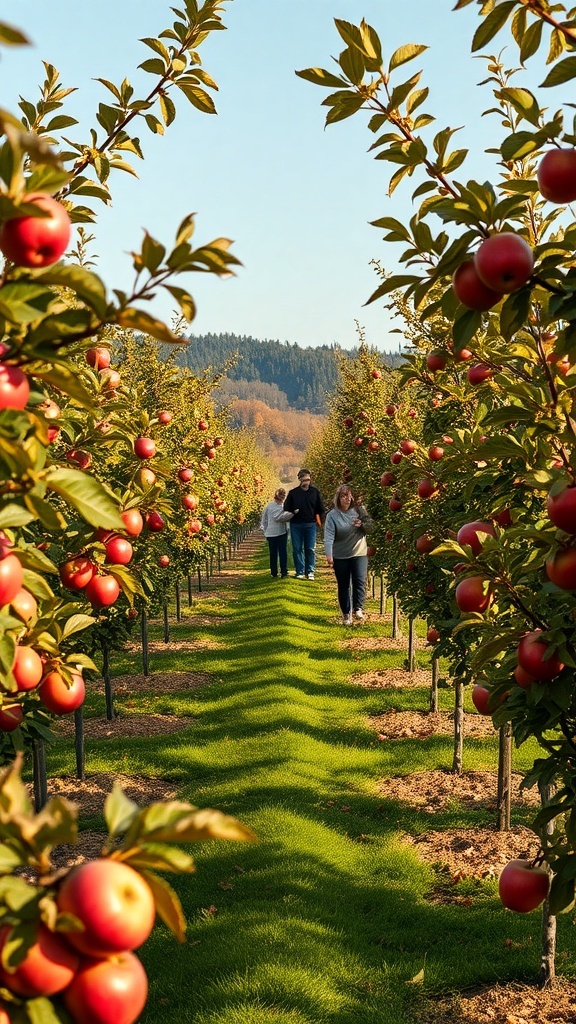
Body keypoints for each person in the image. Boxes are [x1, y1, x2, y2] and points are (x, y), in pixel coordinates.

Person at [324, 483, 373, 625]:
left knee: (359, 580)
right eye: (343, 495)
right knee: (344, 584)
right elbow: (329, 536)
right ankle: (346, 614)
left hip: (359, 551)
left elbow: (371, 527)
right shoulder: (332, 516)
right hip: (340, 555)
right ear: (338, 498)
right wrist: (329, 555)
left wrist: (362, 525)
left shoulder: (359, 510)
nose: (347, 498)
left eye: (349, 495)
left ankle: (358, 608)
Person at [283, 468, 325, 580]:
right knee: (297, 548)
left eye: (309, 479)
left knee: (310, 548)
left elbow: (320, 508)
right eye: (305, 479)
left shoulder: (315, 492)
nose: (307, 482)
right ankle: (300, 571)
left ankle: (310, 571)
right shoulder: (293, 493)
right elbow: (286, 507)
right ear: (300, 479)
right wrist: (293, 510)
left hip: (310, 524)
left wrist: (321, 522)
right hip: (296, 524)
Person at [260, 487, 293, 578]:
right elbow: (275, 518)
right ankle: (279, 572)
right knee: (278, 553)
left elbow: (264, 520)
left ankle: (279, 572)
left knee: (277, 553)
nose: (281, 501)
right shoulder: (274, 507)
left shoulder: (270, 506)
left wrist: (265, 530)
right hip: (276, 533)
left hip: (278, 532)